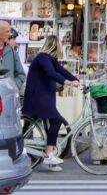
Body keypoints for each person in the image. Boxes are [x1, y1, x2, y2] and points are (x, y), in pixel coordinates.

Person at [22, 36, 79, 171]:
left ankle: (50, 160)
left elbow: (62, 71)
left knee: (44, 124)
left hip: (44, 96)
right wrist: (68, 82)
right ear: (55, 45)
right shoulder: (43, 57)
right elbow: (51, 73)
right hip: (38, 97)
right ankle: (49, 155)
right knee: (56, 120)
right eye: (60, 43)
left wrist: (76, 79)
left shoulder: (51, 59)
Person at [0, 21, 25, 89]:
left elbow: (21, 74)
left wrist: (14, 86)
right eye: (7, 31)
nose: (10, 34)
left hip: (7, 98)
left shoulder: (12, 52)